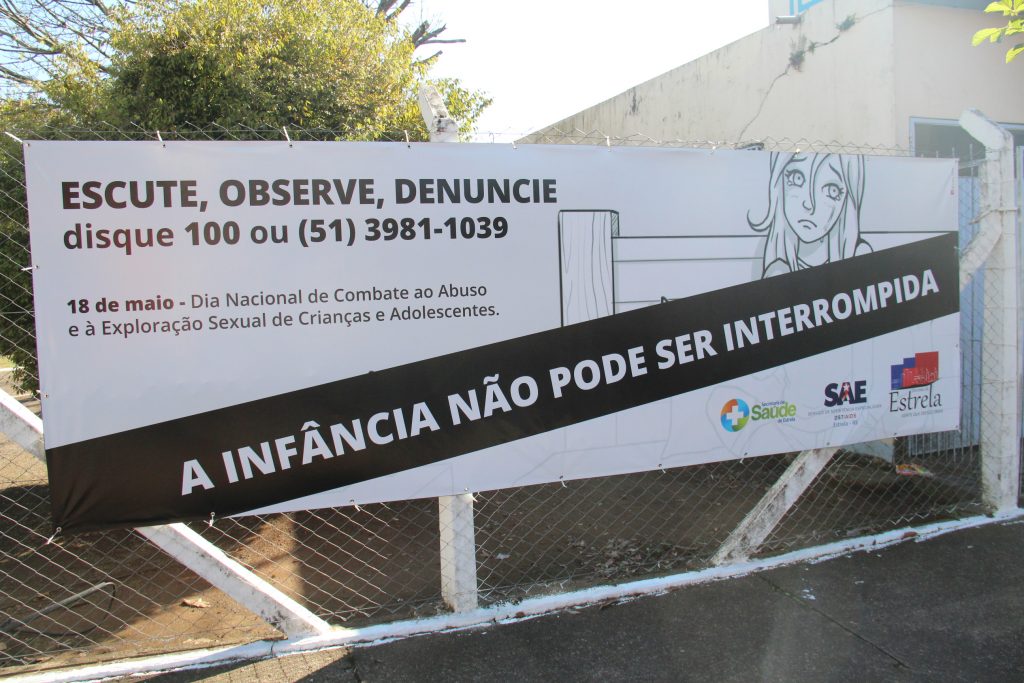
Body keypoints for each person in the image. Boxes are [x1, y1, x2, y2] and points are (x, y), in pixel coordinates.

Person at [748, 152, 871, 278]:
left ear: (847, 200)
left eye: (832, 190)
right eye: (797, 178)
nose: (809, 204)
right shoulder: (777, 270)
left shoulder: (860, 256)